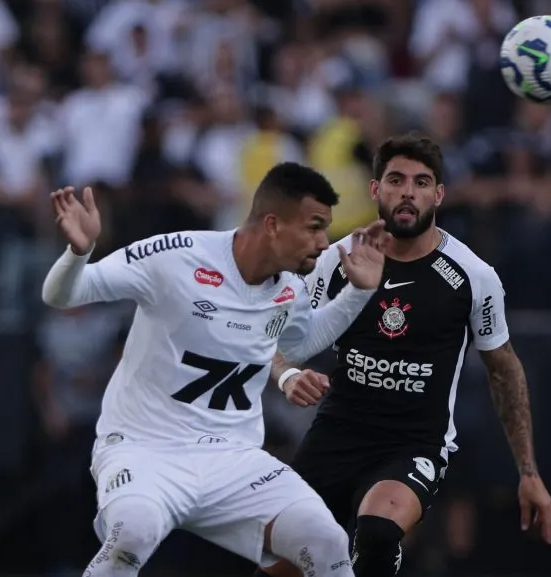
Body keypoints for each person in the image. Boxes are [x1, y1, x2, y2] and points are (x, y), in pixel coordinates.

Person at [40, 162, 392, 577]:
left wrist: (359, 293)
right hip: (144, 447)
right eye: (314, 227)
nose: (322, 242)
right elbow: (63, 295)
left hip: (232, 457)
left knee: (327, 540)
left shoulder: (290, 287)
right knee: (130, 536)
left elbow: (296, 345)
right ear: (273, 224)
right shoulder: (175, 255)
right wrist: (78, 253)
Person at [258, 133, 551, 577]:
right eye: (396, 179)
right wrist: (287, 376)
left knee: (376, 534)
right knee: (281, 565)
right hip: (337, 435)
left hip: (414, 443)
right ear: (376, 189)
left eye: (421, 182)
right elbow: (270, 339)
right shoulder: (335, 261)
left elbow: (504, 369)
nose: (408, 192)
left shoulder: (473, 275)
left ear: (438, 195)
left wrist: (528, 472)